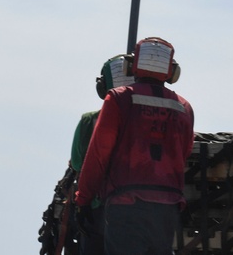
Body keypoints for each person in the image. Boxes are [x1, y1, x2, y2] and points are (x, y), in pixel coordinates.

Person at [74, 37, 195, 255]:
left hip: (126, 206)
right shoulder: (184, 108)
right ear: (172, 72)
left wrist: (83, 199)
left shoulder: (119, 99)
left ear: (133, 66)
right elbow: (183, 153)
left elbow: (99, 155)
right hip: (167, 209)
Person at [68, 55, 135, 255]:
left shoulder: (89, 121)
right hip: (146, 212)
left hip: (100, 209)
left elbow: (79, 163)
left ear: (102, 86)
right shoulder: (154, 117)